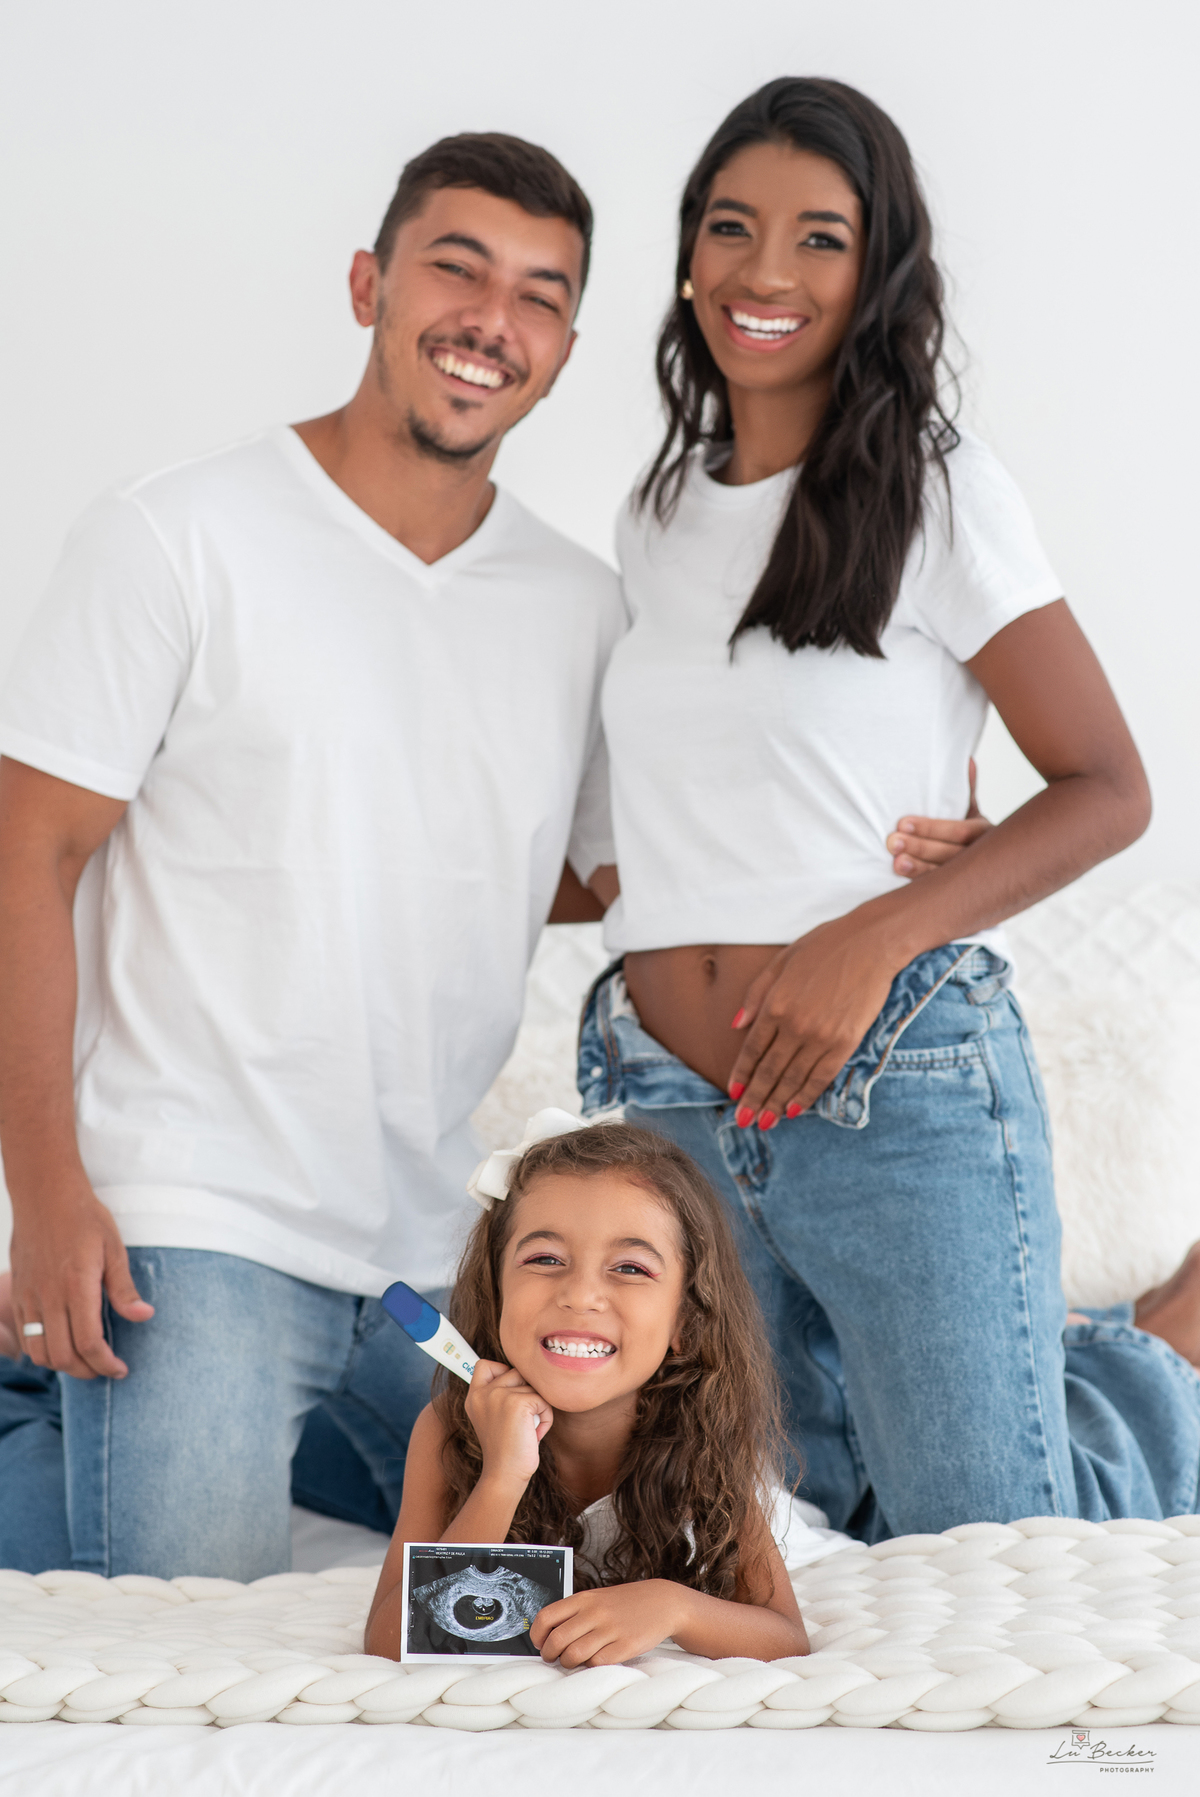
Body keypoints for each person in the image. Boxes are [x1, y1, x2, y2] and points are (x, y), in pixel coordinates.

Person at [578, 77, 1200, 1539]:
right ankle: (1088, 1354)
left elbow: (1109, 786)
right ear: (689, 254)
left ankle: (1161, 1361)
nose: (767, 273)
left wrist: (877, 936)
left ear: (878, 272)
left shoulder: (939, 490)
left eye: (821, 238)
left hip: (894, 1079)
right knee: (767, 1538)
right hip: (671, 1109)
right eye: (732, 228)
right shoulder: (654, 515)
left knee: (987, 1543)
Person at [0, 132, 625, 1580]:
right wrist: (47, 1191)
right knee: (190, 1615)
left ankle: (58, 1404)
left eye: (538, 296)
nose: (491, 319)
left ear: (563, 353)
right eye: (456, 268)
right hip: (193, 1219)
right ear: (368, 285)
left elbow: (604, 873)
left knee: (590, 1539)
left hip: (420, 1265)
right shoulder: (178, 535)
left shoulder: (583, 608)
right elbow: (28, 851)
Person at [365, 1118, 829, 1665]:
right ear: (496, 1292)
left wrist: (674, 1607)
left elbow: (784, 1637)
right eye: (545, 1259)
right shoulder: (448, 1426)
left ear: (686, 1319)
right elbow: (387, 1642)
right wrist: (502, 1475)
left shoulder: (702, 1431)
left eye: (630, 1267)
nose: (581, 1295)